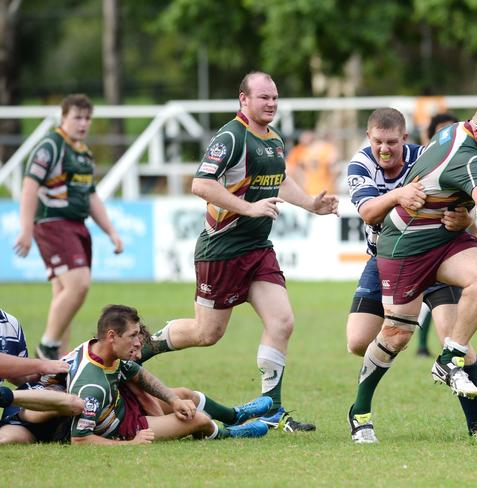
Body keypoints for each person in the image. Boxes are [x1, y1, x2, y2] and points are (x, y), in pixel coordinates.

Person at [138, 71, 339, 433]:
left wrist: (310, 203)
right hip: (222, 250)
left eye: (275, 97)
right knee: (207, 333)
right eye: (263, 97)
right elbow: (201, 184)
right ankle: (146, 346)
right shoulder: (231, 136)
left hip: (258, 248)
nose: (271, 104)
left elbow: (278, 179)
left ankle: (271, 411)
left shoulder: (274, 139)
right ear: (243, 100)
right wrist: (248, 208)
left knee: (282, 322)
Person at [347, 101, 477, 443]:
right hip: (404, 247)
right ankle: (360, 412)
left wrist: (467, 218)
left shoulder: (456, 130)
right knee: (395, 335)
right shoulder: (468, 158)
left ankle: (455, 374)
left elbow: (452, 191)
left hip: (443, 240)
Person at [13, 94, 124, 360]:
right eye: (77, 117)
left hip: (77, 226)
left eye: (87, 118)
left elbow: (91, 196)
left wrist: (111, 231)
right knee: (78, 284)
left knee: (64, 294)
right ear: (63, 118)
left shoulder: (84, 153)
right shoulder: (51, 146)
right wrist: (26, 229)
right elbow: (30, 186)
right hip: (53, 223)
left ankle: (58, 361)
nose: (83, 123)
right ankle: (47, 348)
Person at [64, 304, 270, 445]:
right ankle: (229, 434)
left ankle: (234, 416)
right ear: (111, 336)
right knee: (198, 419)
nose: (138, 343)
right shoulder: (92, 387)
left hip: (122, 404)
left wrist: (173, 401)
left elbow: (139, 374)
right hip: (125, 427)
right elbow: (80, 440)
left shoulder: (98, 349)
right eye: (133, 336)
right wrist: (131, 445)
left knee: (185, 395)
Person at [0, 308, 84, 444]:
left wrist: (35, 375)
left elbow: (14, 373)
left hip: (29, 402)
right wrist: (41, 365)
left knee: (8, 438)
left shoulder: (10, 323)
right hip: (22, 405)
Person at [416, 112, 461, 357]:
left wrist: (470, 223)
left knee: (445, 302)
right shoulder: (420, 163)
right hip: (418, 245)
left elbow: (466, 206)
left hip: (448, 245)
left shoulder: (461, 163)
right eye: (442, 131)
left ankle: (446, 355)